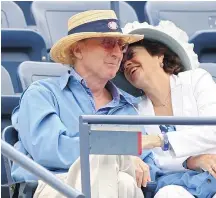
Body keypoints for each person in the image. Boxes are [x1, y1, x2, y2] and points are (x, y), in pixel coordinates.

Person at [11, 10, 145, 198]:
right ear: (77, 50)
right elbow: (52, 150)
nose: (117, 53)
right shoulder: (42, 94)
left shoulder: (128, 108)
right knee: (107, 160)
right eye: (107, 43)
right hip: (54, 186)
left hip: (117, 187)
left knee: (124, 181)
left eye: (121, 46)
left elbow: (147, 165)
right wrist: (120, 153)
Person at [121, 21, 216, 198]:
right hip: (176, 186)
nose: (126, 63)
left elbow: (215, 131)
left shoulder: (197, 80)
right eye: (122, 62)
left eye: (131, 54)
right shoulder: (134, 110)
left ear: (159, 56)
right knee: (168, 194)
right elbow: (154, 163)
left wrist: (159, 140)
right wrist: (192, 161)